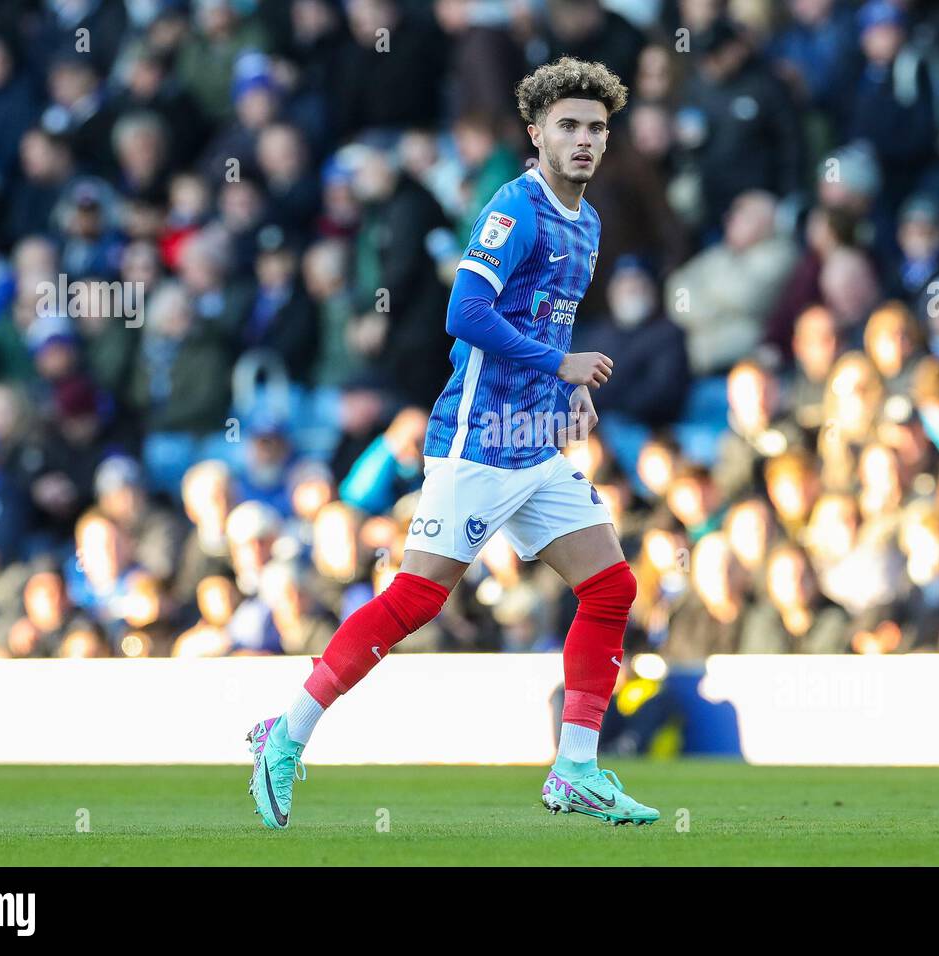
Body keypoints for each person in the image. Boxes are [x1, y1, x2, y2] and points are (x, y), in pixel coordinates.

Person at [246, 58, 659, 829]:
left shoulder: (589, 223)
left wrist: (565, 393)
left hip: (535, 446)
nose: (583, 140)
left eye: (595, 128)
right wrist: (559, 364)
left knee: (610, 586)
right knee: (414, 602)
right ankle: (286, 734)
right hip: (476, 444)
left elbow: (541, 324)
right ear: (535, 134)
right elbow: (465, 314)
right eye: (567, 125)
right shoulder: (515, 208)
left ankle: (574, 767)